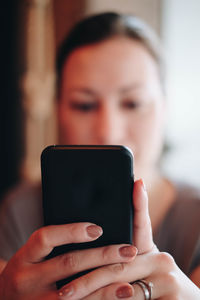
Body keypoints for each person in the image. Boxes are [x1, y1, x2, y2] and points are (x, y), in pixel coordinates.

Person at [0, 12, 200, 299]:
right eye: (84, 105)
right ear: (58, 110)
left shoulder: (195, 219)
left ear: (165, 108)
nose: (108, 132)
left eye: (132, 103)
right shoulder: (18, 211)